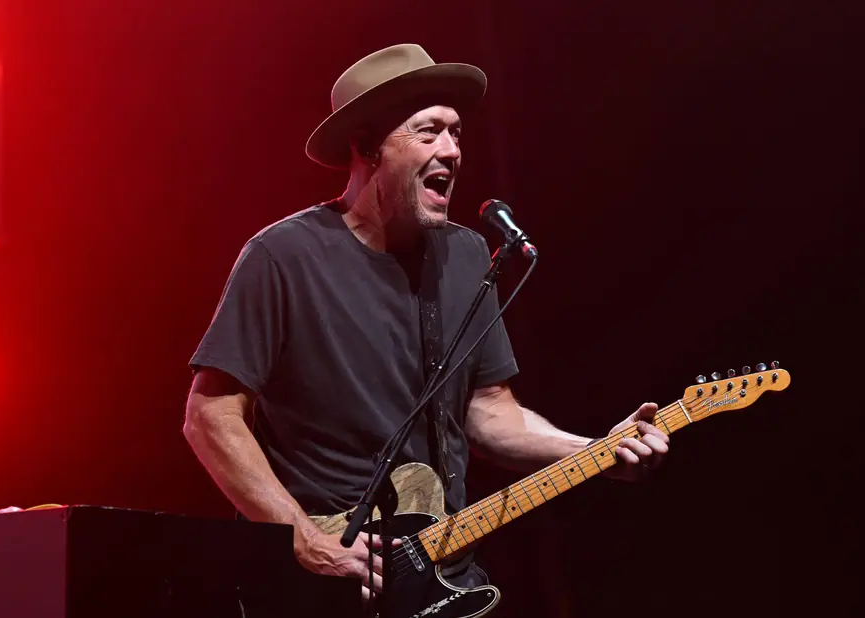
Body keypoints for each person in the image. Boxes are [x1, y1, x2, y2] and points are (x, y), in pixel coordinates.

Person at [183, 43, 669, 606]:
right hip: (320, 584)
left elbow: (488, 410)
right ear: (367, 146)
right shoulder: (283, 256)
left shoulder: (466, 258)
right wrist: (304, 538)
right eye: (428, 132)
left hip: (442, 572)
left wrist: (592, 450)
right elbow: (209, 416)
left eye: (456, 133)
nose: (452, 150)